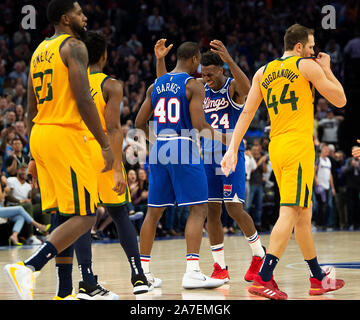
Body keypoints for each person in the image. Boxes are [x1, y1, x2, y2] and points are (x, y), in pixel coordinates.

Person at [221, 23, 346, 300]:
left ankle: (317, 278)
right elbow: (340, 99)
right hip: (298, 146)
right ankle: (264, 277)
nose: (315, 52)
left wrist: (232, 148)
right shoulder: (306, 66)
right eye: (312, 47)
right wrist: (326, 69)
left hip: (276, 146)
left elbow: (247, 113)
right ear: (299, 47)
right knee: (290, 211)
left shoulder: (263, 72)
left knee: (303, 214)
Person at [3, 0, 114, 300]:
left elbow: (29, 106)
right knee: (87, 216)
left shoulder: (40, 51)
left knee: (65, 215)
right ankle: (29, 266)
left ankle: (65, 292)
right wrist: (105, 143)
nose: (85, 16)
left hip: (41, 132)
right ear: (66, 18)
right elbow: (84, 99)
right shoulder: (74, 46)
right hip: (64, 134)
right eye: (79, 12)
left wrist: (32, 151)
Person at [155, 39, 266, 283]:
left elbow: (248, 88)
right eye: (203, 74)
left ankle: (259, 254)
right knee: (211, 213)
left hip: (230, 155)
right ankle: (219, 267)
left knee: (234, 208)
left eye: (211, 74)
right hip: (205, 156)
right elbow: (166, 85)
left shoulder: (230, 87)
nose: (207, 79)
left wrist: (229, 58)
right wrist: (160, 60)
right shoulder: (199, 88)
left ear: (221, 70)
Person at [135, 41, 228, 289]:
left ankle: (142, 273)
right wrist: (226, 138)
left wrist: (156, 141)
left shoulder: (156, 85)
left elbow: (139, 122)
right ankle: (193, 271)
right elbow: (199, 124)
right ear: (196, 60)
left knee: (153, 213)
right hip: (183, 145)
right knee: (198, 210)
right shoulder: (192, 85)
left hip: (159, 149)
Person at [314, 144, 336, 230]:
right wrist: (317, 184)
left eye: (328, 149)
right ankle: (320, 223)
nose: (327, 151)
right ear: (321, 150)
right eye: (325, 149)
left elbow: (330, 175)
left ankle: (323, 223)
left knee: (326, 205)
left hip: (327, 186)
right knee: (321, 205)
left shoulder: (328, 161)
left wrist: (332, 187)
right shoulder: (318, 160)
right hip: (320, 186)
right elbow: (313, 172)